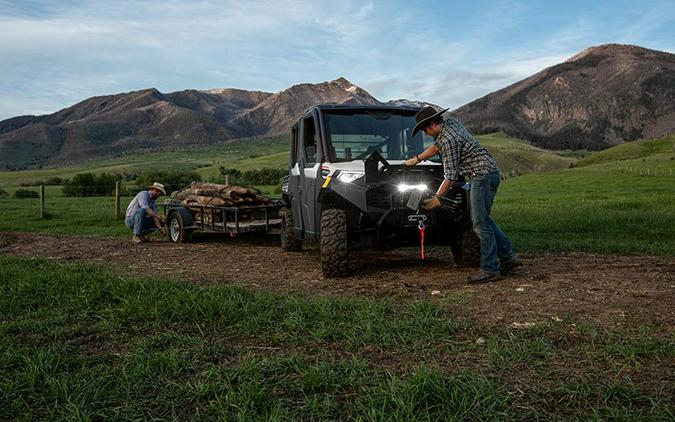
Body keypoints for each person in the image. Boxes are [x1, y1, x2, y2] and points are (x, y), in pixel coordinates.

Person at [405, 106, 522, 283]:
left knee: (480, 224)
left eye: (424, 129)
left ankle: (490, 269)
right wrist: (418, 158)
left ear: (432, 125)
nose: (425, 133)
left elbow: (450, 176)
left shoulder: (449, 141)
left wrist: (437, 198)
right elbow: (437, 147)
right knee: (484, 220)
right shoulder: (451, 124)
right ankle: (509, 257)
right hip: (489, 173)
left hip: (481, 176)